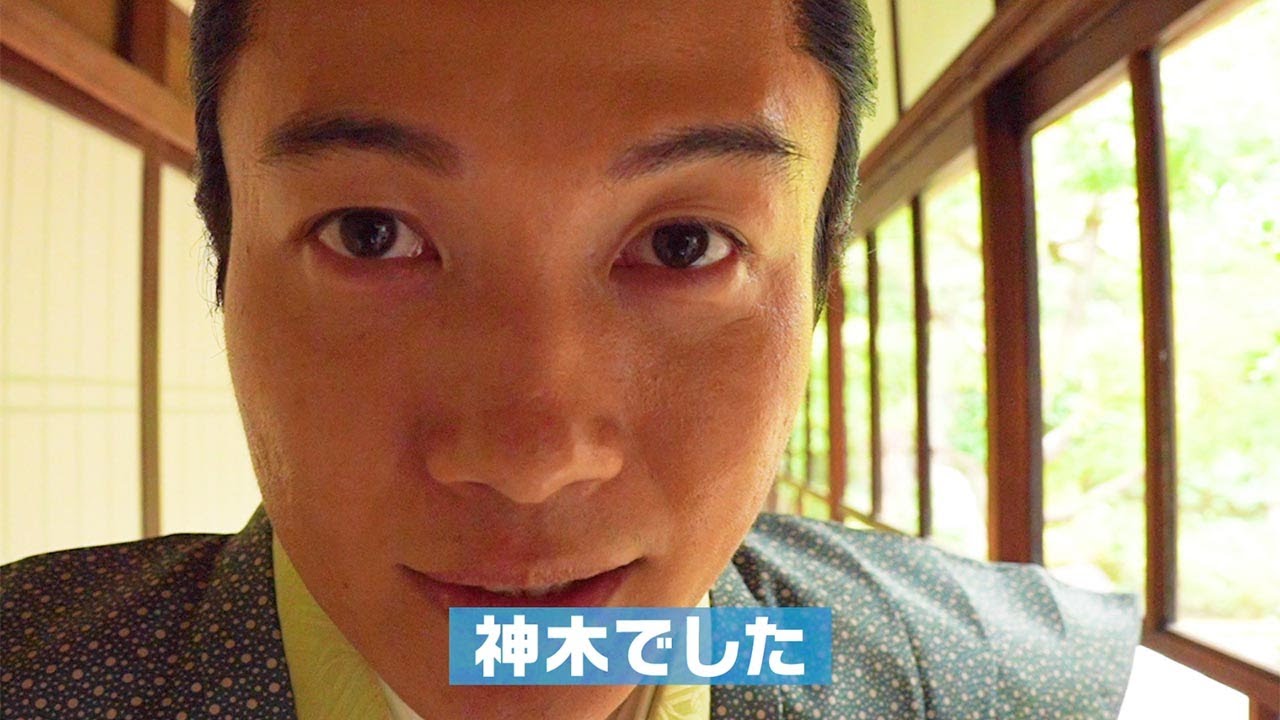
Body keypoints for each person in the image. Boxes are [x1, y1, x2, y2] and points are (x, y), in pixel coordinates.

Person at [0, 1, 1140, 718]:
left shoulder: (981, 672)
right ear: (224, 256)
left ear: (816, 285)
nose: (531, 459)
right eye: (369, 233)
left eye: (684, 245)